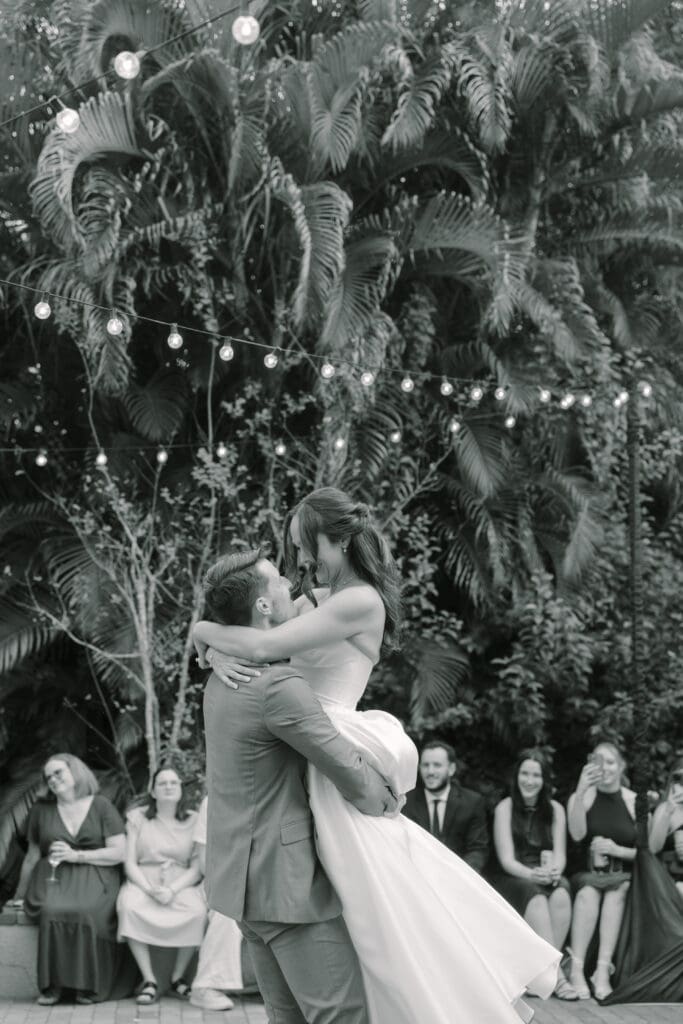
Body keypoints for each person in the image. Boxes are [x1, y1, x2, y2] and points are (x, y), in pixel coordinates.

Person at [195, 487, 560, 1024]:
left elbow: (259, 643)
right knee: (351, 899)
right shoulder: (312, 602)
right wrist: (208, 638)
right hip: (303, 740)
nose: (299, 559)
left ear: (338, 540)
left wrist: (203, 634)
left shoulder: (360, 601)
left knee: (378, 897)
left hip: (325, 733)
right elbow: (252, 625)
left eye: (305, 544)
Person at [203, 550, 399, 1024]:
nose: (290, 585)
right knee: (340, 1016)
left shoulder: (221, 676)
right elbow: (346, 767)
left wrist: (206, 640)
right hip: (285, 886)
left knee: (286, 1018)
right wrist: (389, 798)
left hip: (242, 883)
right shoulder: (277, 686)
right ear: (263, 606)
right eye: (278, 582)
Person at [9, 753, 133, 1004]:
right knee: (52, 911)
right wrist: (18, 895)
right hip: (54, 877)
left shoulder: (101, 806)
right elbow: (32, 856)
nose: (53, 780)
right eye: (48, 777)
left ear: (75, 771)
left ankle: (89, 987)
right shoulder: (41, 810)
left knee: (88, 912)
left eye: (58, 773)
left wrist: (77, 856)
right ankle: (54, 987)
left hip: (97, 874)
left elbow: (119, 852)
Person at [117, 765, 207, 1005]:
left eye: (173, 783)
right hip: (143, 879)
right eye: (162, 783)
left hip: (180, 882)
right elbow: (130, 863)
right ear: (153, 791)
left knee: (197, 911)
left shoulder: (195, 820)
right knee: (129, 906)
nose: (168, 787)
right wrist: (149, 889)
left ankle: (178, 978)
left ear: (181, 789)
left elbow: (196, 868)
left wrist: (171, 890)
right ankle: (149, 980)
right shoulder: (137, 818)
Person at [492, 750, 576, 1001]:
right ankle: (558, 977)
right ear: (516, 776)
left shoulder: (556, 809)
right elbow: (507, 860)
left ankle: (540, 974)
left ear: (544, 780)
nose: (530, 780)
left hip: (545, 874)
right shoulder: (505, 808)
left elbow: (560, 855)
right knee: (536, 896)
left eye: (536, 775)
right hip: (515, 877)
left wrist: (555, 871)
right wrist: (532, 875)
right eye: (525, 774)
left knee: (562, 891)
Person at [566, 741, 637, 1001]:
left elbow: (646, 852)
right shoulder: (583, 796)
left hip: (622, 875)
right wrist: (581, 790)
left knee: (618, 890)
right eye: (598, 761)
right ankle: (576, 970)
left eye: (610, 762)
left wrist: (618, 850)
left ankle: (603, 972)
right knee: (588, 892)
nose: (605, 768)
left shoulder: (633, 801)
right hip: (589, 874)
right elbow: (576, 834)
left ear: (621, 766)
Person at [190, 795, 243, 1011]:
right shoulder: (212, 800)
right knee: (227, 912)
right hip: (221, 879)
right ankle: (206, 986)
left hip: (266, 879)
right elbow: (205, 863)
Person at [403, 740, 489, 872]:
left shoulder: (472, 802)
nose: (430, 771)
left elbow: (477, 849)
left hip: (459, 874)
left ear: (451, 769)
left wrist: (460, 874)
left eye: (437, 765)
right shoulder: (406, 802)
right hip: (417, 872)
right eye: (425, 765)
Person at [649, 757, 683, 897]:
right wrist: (668, 811)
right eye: (679, 778)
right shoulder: (664, 808)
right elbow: (653, 848)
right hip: (669, 878)